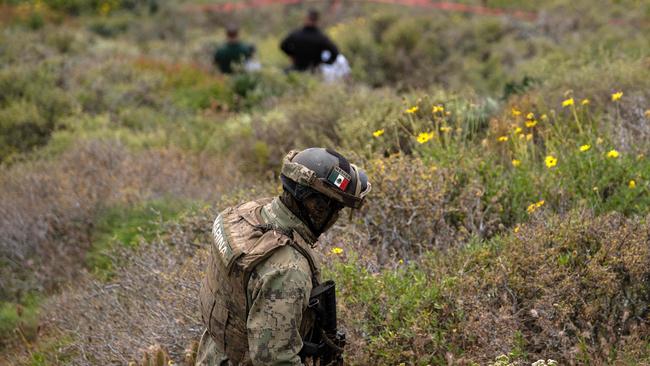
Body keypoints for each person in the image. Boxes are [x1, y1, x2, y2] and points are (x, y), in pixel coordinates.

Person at [196, 148, 371, 365]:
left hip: (213, 354)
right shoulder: (289, 271)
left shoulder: (241, 215)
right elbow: (276, 360)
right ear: (317, 207)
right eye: (337, 210)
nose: (336, 218)